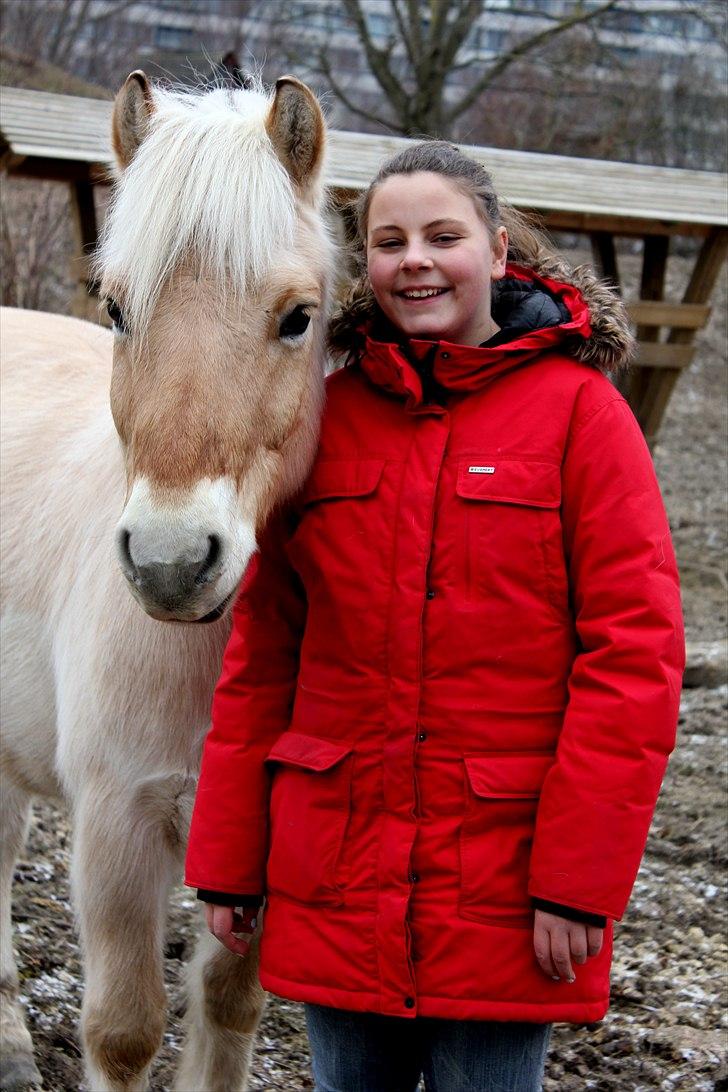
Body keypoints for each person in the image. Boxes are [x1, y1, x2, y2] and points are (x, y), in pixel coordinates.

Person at [185, 141, 684, 1092]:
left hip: (505, 888)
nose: (414, 258)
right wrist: (229, 860)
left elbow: (636, 658)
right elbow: (265, 656)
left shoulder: (583, 417)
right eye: (389, 240)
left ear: (498, 251)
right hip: (337, 872)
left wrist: (577, 883)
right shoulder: (320, 422)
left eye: (442, 235)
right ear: (363, 265)